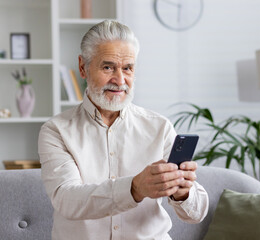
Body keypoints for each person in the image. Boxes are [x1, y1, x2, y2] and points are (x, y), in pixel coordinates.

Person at [38, 20, 209, 240]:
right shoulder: (56, 131)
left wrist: (183, 191)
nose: (120, 80)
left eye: (127, 68)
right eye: (108, 67)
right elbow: (68, 200)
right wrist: (135, 188)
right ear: (83, 67)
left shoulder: (160, 127)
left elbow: (196, 214)